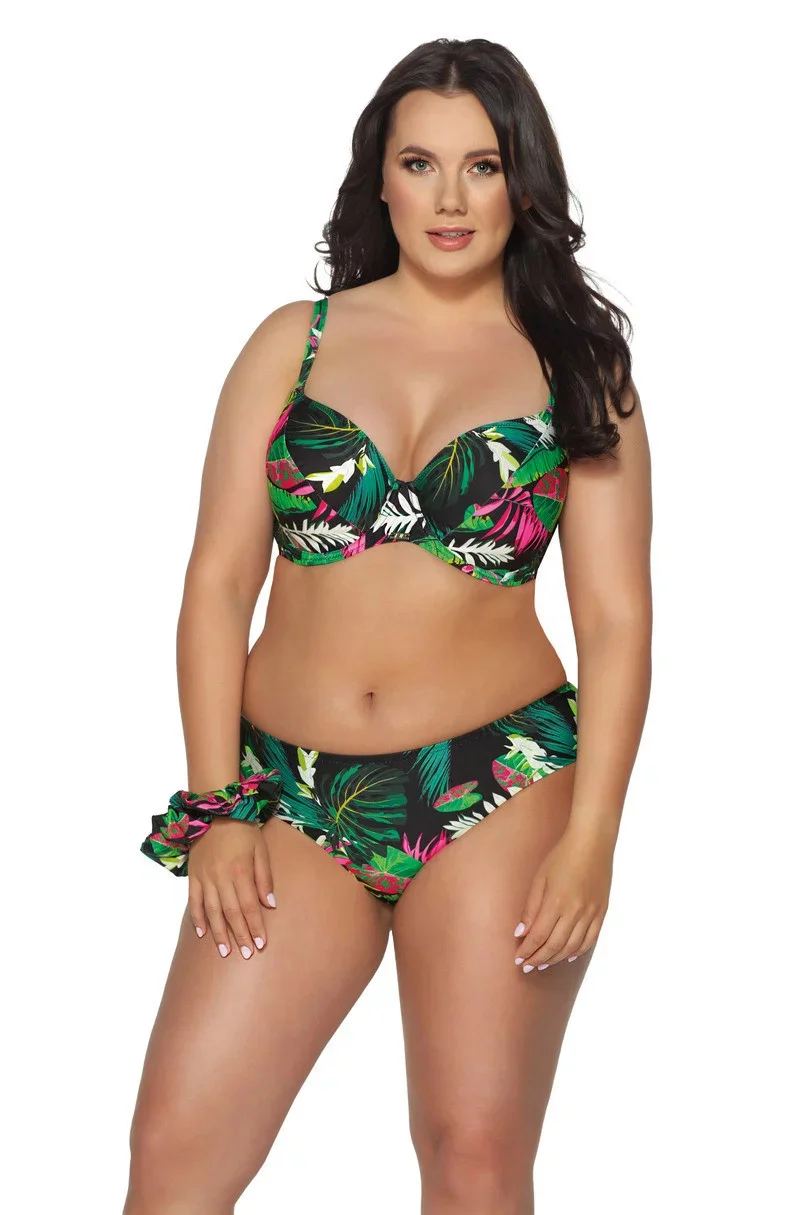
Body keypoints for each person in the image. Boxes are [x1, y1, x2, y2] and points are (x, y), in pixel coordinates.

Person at [124, 36, 652, 1215]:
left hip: (499, 786)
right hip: (291, 793)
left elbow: (618, 622)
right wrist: (216, 806)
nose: (451, 199)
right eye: (421, 164)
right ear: (382, 179)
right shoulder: (293, 342)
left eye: (482, 165)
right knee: (175, 1153)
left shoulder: (578, 369)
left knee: (472, 1154)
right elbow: (216, 585)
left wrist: (592, 842)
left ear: (523, 182)